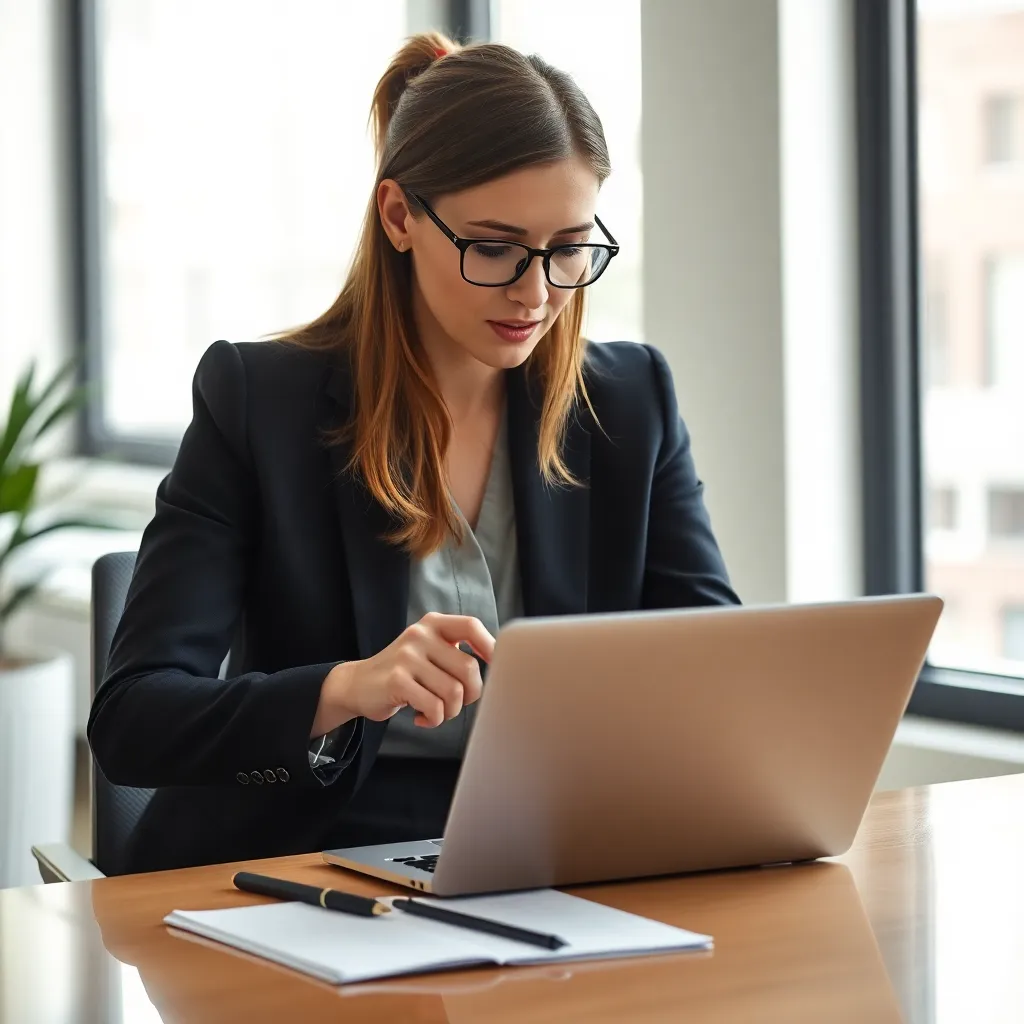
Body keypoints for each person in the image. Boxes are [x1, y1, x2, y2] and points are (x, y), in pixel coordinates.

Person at [88, 32, 740, 874]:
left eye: (569, 248)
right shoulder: (258, 402)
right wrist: (347, 688)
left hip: (552, 854)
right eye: (495, 248)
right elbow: (135, 720)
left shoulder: (629, 402)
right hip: (305, 862)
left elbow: (719, 674)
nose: (535, 292)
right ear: (399, 216)